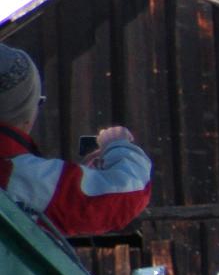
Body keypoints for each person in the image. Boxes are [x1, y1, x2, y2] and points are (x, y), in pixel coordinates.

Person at [0, 44, 151, 235]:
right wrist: (119, 145)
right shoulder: (13, 171)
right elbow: (128, 193)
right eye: (37, 102)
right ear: (18, 110)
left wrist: (81, 174)